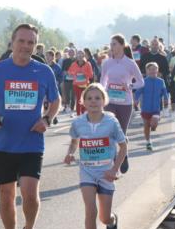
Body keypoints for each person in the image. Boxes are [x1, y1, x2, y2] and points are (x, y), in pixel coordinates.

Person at [0, 24, 60, 229]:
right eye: (22, 41)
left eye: (31, 43)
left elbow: (55, 100)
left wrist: (47, 119)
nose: (26, 46)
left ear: (35, 46)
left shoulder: (43, 71)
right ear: (12, 43)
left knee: (30, 193)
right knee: (6, 195)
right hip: (4, 143)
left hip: (32, 142)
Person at [65, 83, 127, 229]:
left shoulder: (111, 122)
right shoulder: (77, 123)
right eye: (89, 98)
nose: (93, 101)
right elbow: (74, 141)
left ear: (104, 101)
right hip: (87, 171)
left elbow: (123, 147)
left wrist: (115, 169)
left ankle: (112, 222)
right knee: (90, 210)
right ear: (83, 101)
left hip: (106, 173)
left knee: (104, 217)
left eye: (97, 98)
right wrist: (70, 153)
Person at [100, 34, 144, 173]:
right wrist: (102, 94)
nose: (111, 47)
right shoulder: (107, 63)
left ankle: (124, 155)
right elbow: (103, 80)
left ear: (122, 45)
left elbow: (141, 82)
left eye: (114, 44)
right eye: (111, 44)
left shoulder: (130, 63)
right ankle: (114, 160)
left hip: (125, 102)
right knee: (110, 131)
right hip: (110, 101)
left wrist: (130, 86)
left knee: (121, 133)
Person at [139, 62, 168, 150]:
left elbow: (164, 91)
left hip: (156, 108)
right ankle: (148, 142)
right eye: (150, 69)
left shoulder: (161, 81)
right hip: (145, 108)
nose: (152, 71)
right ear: (147, 71)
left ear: (157, 70)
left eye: (154, 69)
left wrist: (166, 99)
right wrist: (135, 100)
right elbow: (138, 92)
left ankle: (154, 125)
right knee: (146, 126)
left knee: (154, 123)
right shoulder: (143, 81)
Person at [68, 49, 94, 115]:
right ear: (76, 55)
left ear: (84, 55)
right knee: (79, 99)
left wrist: (84, 73)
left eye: (81, 54)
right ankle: (78, 115)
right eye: (78, 54)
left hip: (85, 85)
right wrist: (74, 73)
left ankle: (84, 113)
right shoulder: (73, 64)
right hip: (76, 85)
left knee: (84, 99)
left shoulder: (88, 64)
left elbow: (91, 75)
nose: (79, 55)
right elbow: (69, 73)